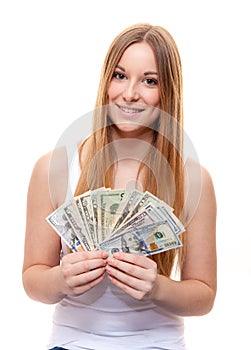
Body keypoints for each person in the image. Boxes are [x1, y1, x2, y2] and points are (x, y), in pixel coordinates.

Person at [22, 23, 217, 350]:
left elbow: (203, 295)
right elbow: (32, 280)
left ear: (167, 92)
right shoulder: (55, 168)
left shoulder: (192, 178)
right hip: (73, 343)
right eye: (120, 75)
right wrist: (61, 279)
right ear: (106, 82)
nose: (130, 94)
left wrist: (157, 287)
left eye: (149, 81)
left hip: (159, 344)